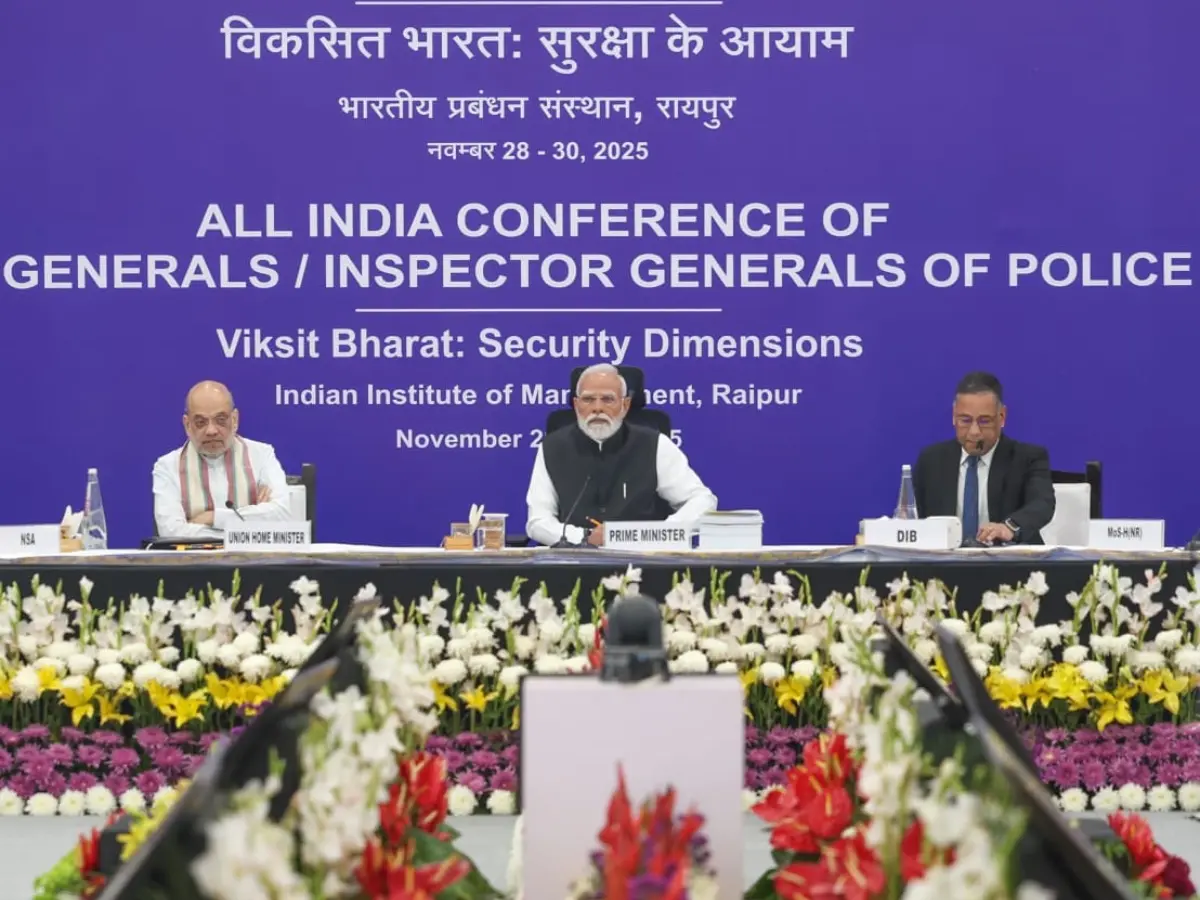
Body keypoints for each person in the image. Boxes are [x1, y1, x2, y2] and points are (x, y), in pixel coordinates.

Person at [525, 363, 717, 546]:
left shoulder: (655, 445)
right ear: (576, 405)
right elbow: (538, 521)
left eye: (608, 399)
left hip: (643, 558)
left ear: (625, 405)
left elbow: (703, 501)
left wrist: (655, 534)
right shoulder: (553, 447)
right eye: (588, 399)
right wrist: (585, 537)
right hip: (575, 557)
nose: (597, 408)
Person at [913, 372, 1055, 545]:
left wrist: (1009, 528)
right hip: (947, 559)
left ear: (1002, 417)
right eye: (965, 420)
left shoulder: (1028, 458)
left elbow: (1042, 504)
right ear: (954, 416)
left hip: (1011, 558)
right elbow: (915, 519)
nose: (974, 432)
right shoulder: (931, 460)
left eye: (984, 421)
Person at [152, 381, 292, 537]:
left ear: (234, 420)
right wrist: (253, 523)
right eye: (201, 422)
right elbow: (171, 532)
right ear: (187, 425)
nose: (211, 431)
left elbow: (283, 516)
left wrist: (212, 518)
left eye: (220, 420)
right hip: (197, 555)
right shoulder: (167, 466)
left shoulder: (261, 455)